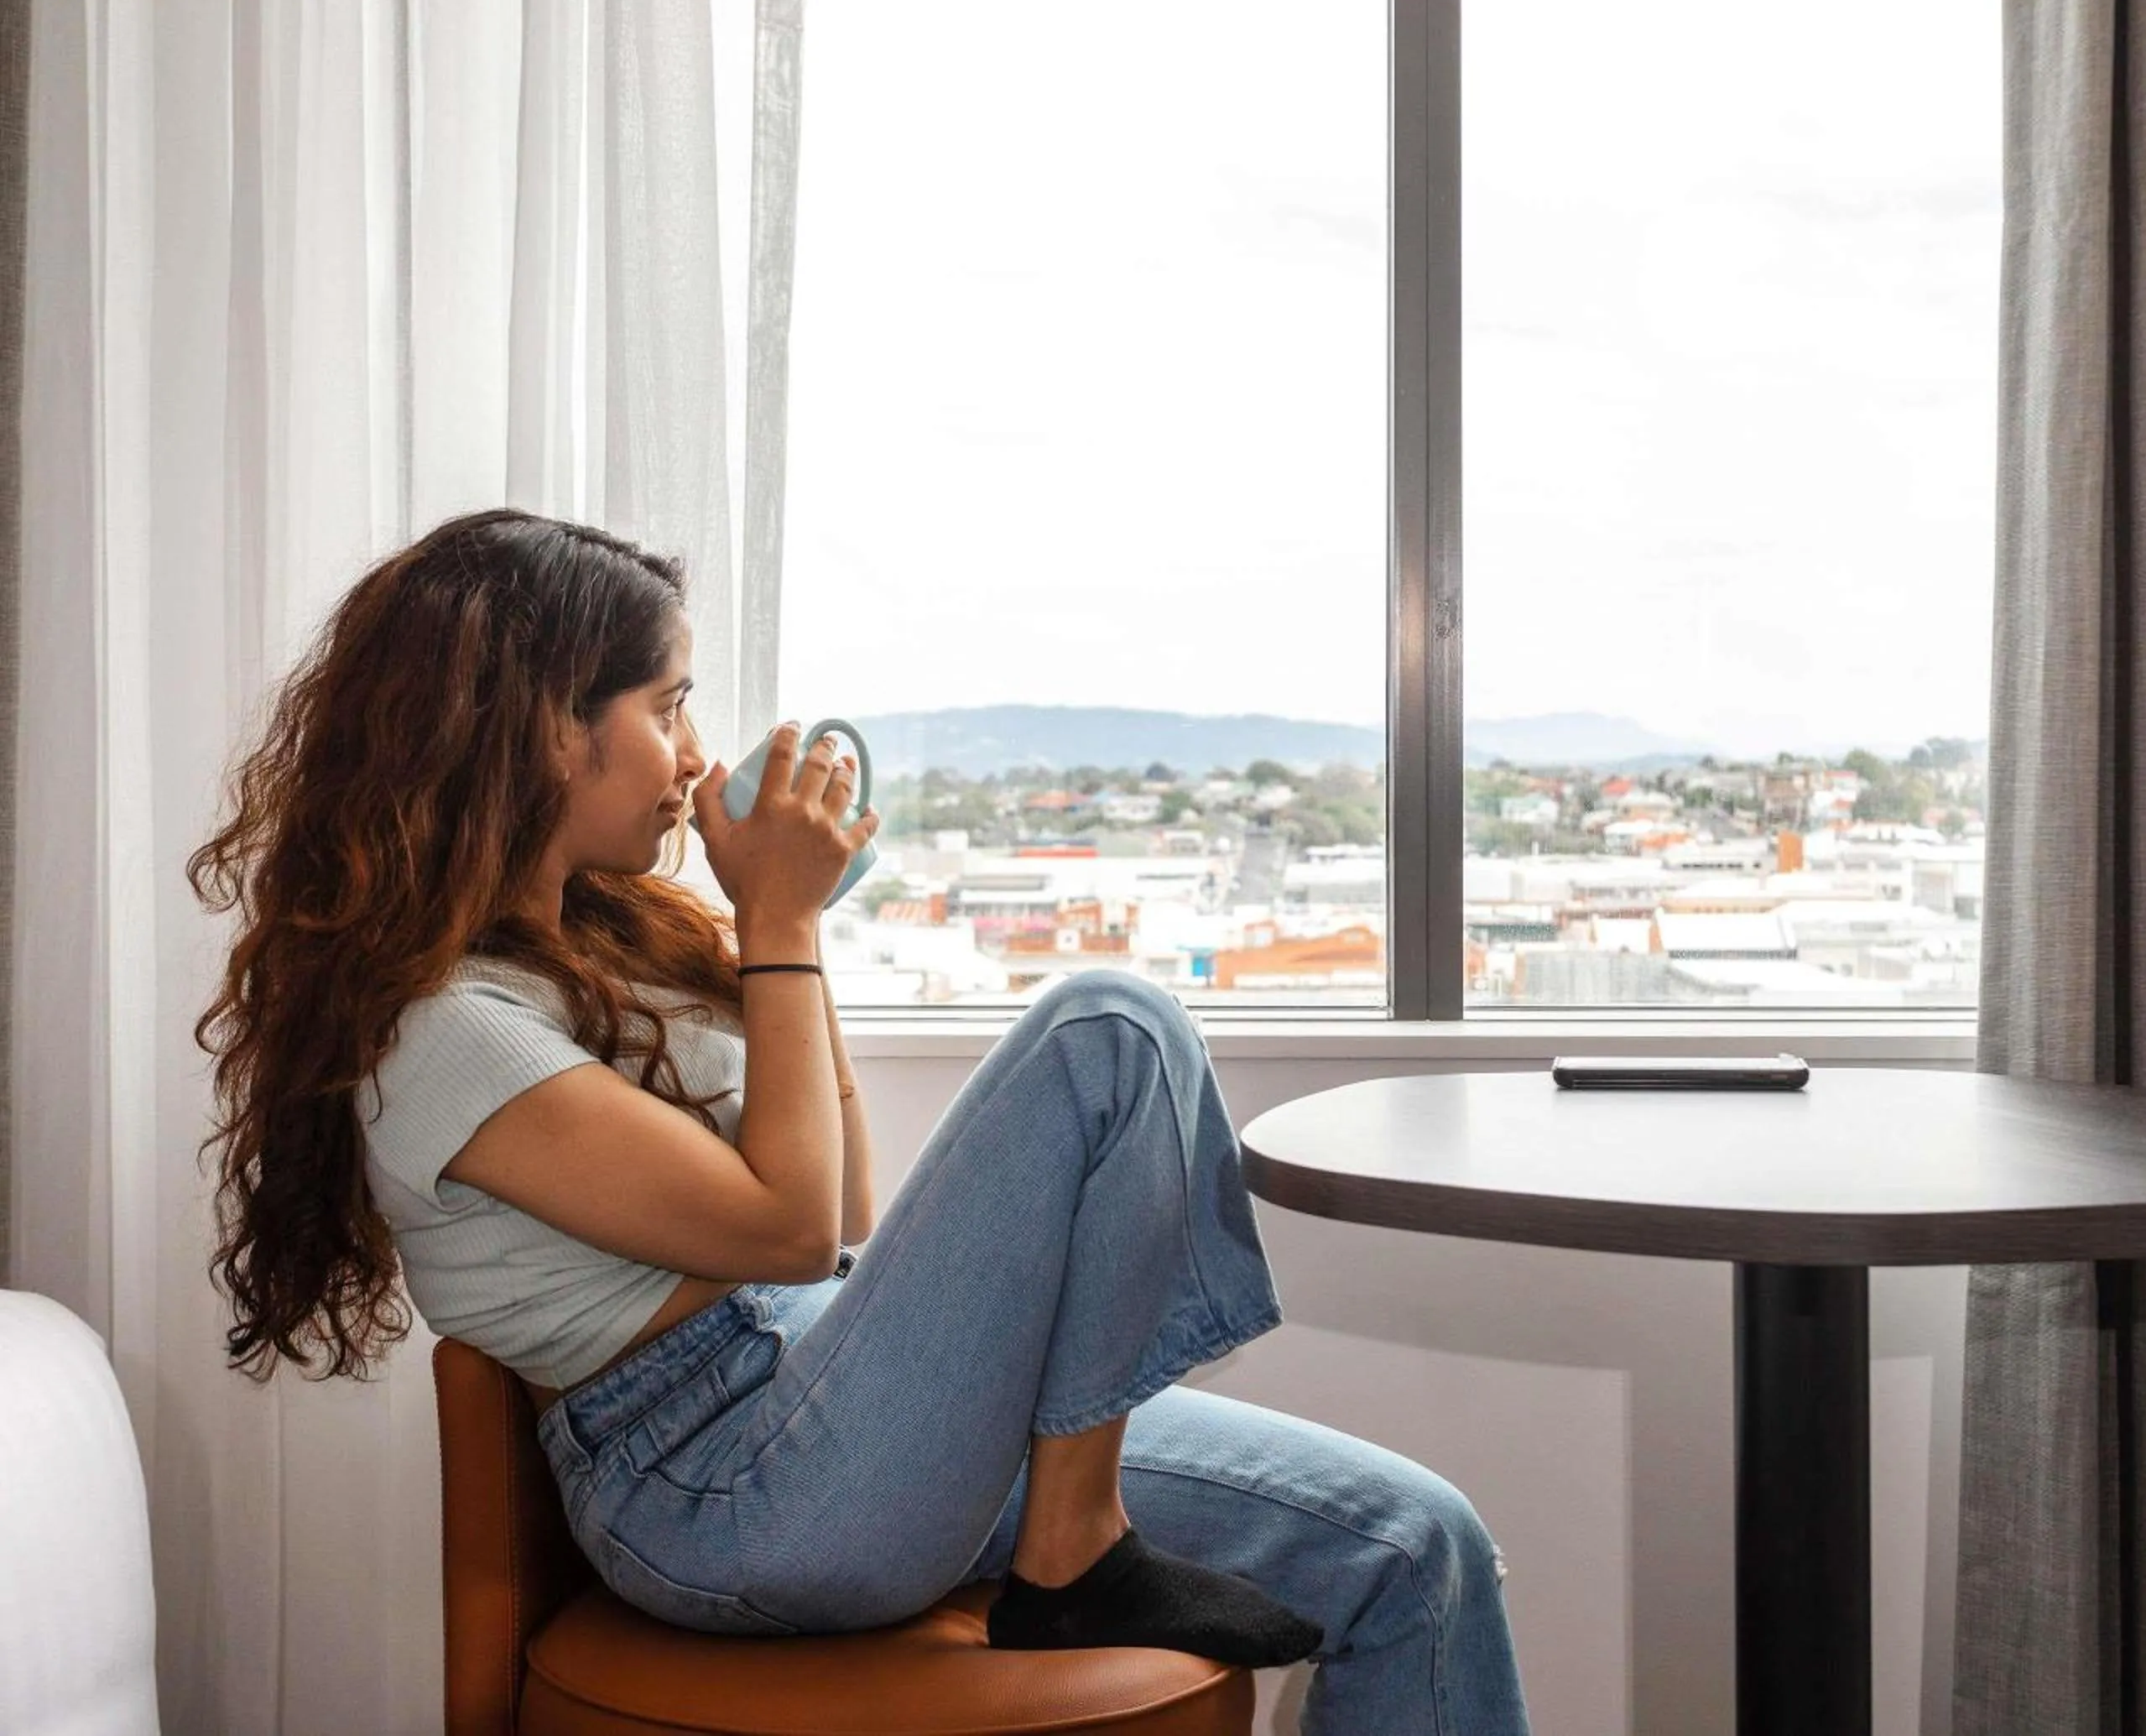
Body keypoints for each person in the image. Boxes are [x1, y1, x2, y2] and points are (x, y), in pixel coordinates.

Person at [191, 506, 1531, 1733]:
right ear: (550, 726)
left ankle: (1075, 1539)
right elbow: (782, 1230)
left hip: (828, 1389)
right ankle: (1073, 1547)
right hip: (718, 1483)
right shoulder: (444, 1030)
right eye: (667, 705)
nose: (695, 752)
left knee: (1420, 1542)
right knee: (1114, 1031)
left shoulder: (612, 946)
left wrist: (792, 929)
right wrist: (768, 921)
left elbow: (839, 1217)